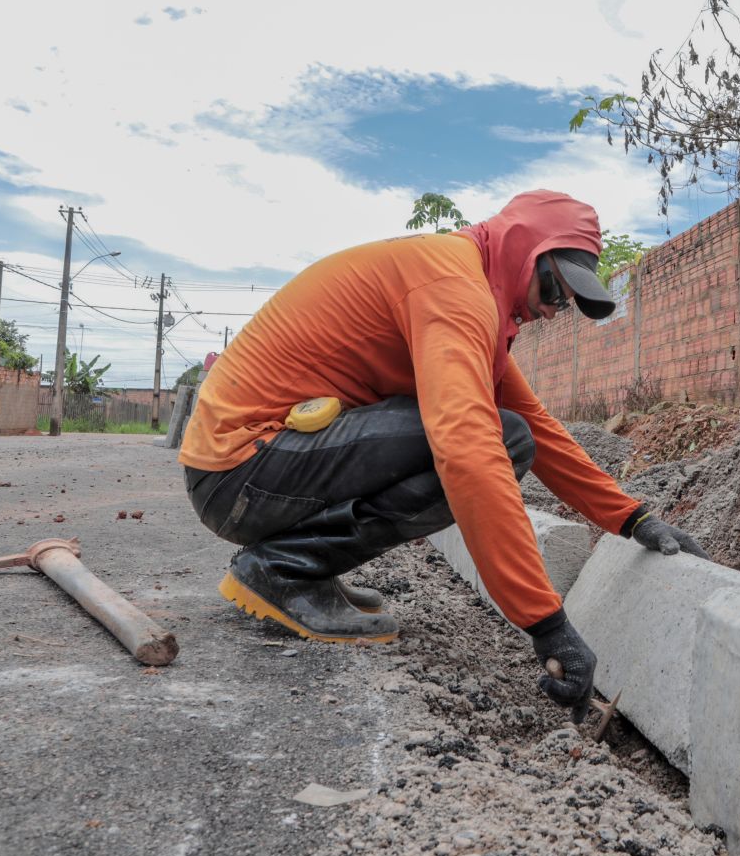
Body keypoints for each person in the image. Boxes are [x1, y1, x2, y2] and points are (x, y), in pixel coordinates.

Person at [178, 189, 708, 721]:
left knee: (514, 432)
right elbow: (470, 450)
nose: (553, 308)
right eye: (555, 287)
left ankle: (296, 564)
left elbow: (541, 430)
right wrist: (547, 625)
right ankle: (285, 568)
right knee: (494, 438)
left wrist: (632, 519)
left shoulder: (466, 284)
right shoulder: (455, 290)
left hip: (251, 469)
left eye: (566, 301)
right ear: (523, 248)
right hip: (242, 472)